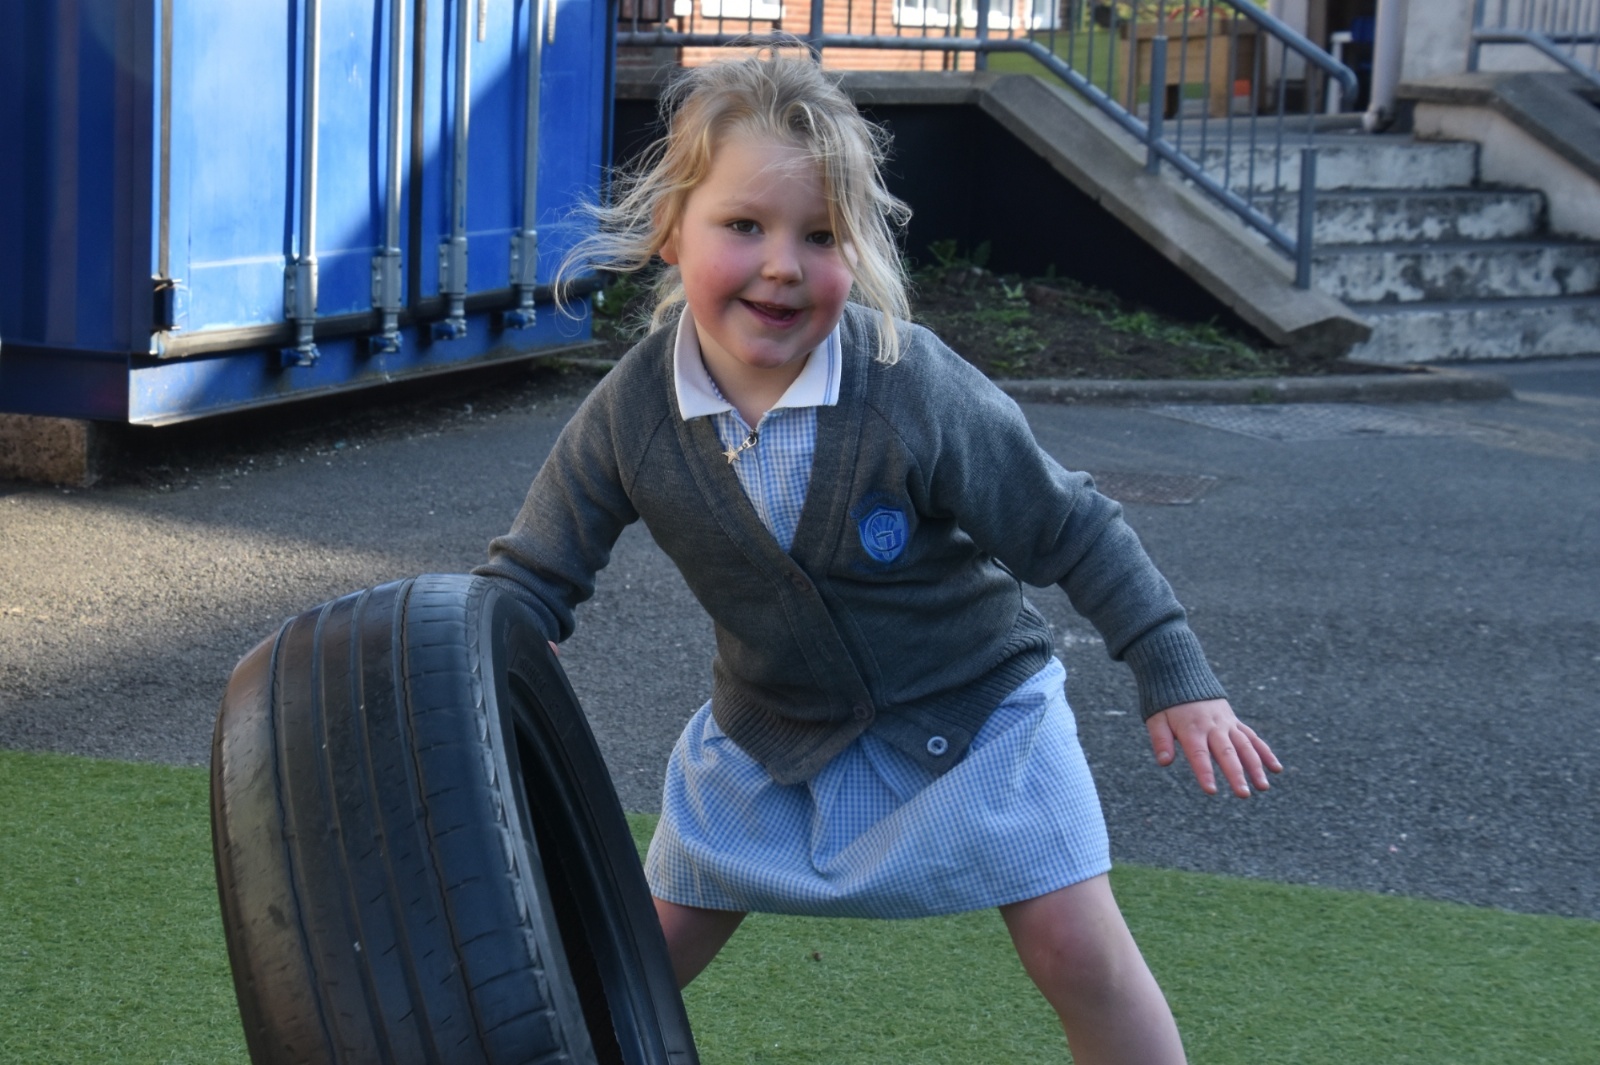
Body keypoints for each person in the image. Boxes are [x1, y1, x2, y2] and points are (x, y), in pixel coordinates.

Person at [476, 49, 1280, 1065]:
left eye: (820, 235)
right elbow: (532, 573)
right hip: (771, 732)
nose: (782, 264)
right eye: (744, 225)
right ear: (673, 230)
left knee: (1077, 951)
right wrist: (492, 657)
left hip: (979, 714)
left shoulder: (906, 384)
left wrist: (1175, 672)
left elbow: (1069, 523)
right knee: (637, 954)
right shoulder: (633, 413)